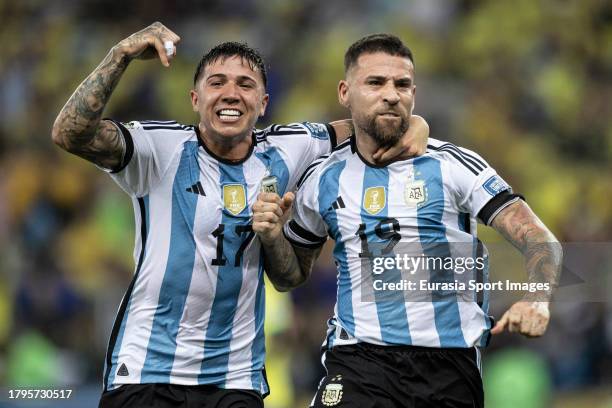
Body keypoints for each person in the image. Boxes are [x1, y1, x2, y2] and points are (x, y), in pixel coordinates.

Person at [51, 23, 429, 408]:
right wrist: (121, 55)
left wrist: (416, 123)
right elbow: (70, 134)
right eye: (217, 83)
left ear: (263, 103)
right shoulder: (159, 148)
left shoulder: (290, 148)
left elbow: (372, 125)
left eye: (245, 85)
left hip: (234, 381)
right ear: (195, 99)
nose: (231, 93)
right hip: (147, 371)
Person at [252, 33, 562, 407]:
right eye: (375, 82)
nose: (391, 94)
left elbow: (537, 236)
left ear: (414, 94)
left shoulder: (452, 166)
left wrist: (538, 298)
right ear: (344, 92)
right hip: (359, 361)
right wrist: (272, 237)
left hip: (447, 367)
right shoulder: (322, 178)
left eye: (401, 84)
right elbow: (290, 276)